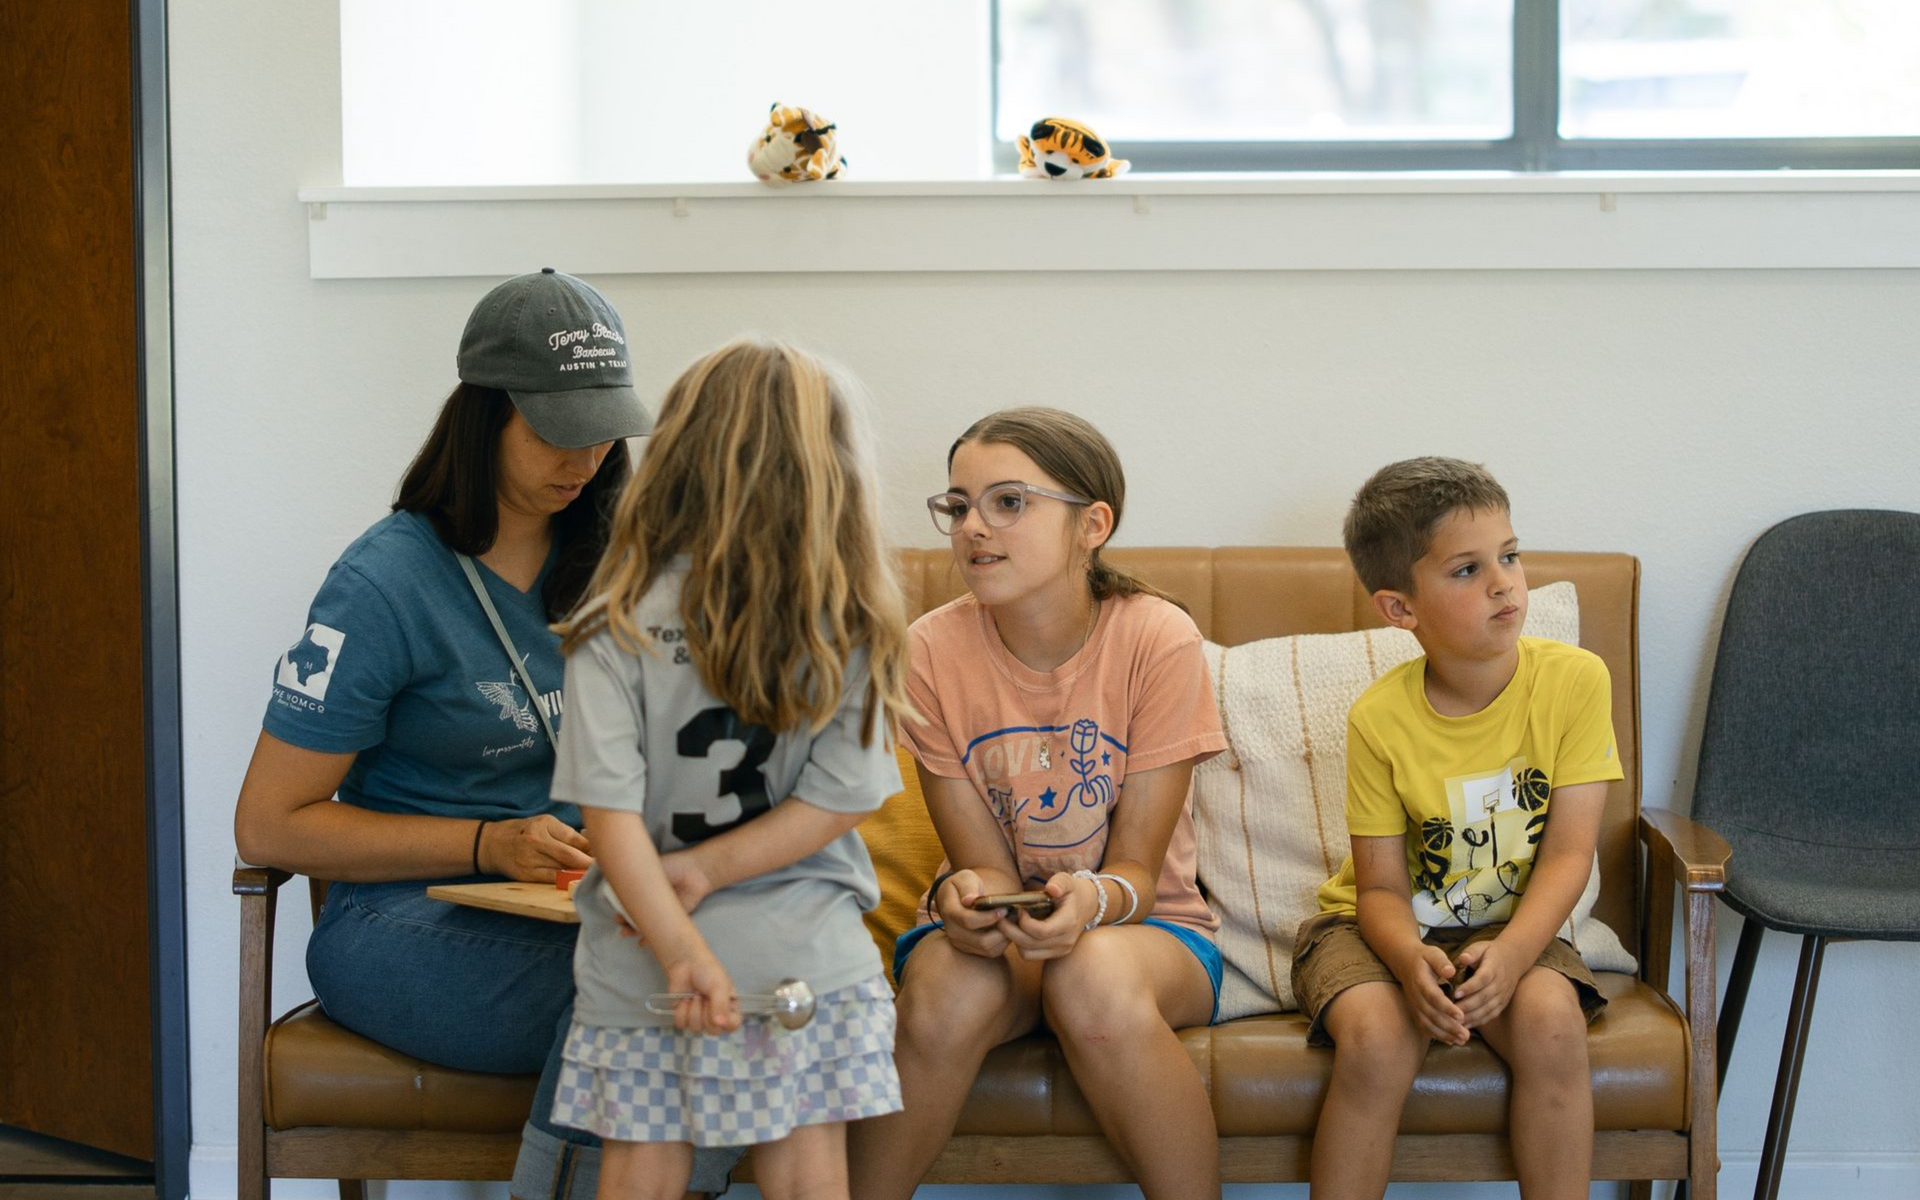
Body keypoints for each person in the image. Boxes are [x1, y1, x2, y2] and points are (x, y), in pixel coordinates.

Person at [232, 269, 738, 1199]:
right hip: (403, 919)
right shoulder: (383, 584)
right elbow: (268, 826)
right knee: (667, 988)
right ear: (482, 418)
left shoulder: (622, 556)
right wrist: (486, 843)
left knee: (738, 953)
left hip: (575, 902)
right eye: (553, 430)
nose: (584, 458)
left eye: (602, 429)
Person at [545, 339, 912, 1200]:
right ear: (829, 473)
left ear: (673, 458)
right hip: (805, 956)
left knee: (642, 1161)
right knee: (805, 1165)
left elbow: (610, 819)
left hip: (644, 947)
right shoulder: (850, 624)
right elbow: (837, 801)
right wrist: (708, 871)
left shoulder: (614, 626)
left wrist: (679, 949)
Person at [846, 407, 1228, 1200]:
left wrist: (1088, 901)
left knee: (1087, 972)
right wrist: (964, 898)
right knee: (945, 990)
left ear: (1092, 524)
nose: (973, 528)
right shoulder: (926, 650)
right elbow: (981, 864)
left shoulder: (1158, 637)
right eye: (959, 506)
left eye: (1008, 502)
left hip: (1149, 933)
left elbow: (1139, 873)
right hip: (1003, 944)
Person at [1292, 457, 1620, 1200]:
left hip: (1515, 925)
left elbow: (1569, 854)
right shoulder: (1378, 718)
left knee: (1552, 1025)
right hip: (1378, 929)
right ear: (1400, 609)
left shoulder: (1574, 681)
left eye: (1509, 556)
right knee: (1376, 1040)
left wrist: (1512, 954)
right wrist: (1409, 960)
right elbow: (1376, 887)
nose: (1505, 582)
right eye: (1467, 570)